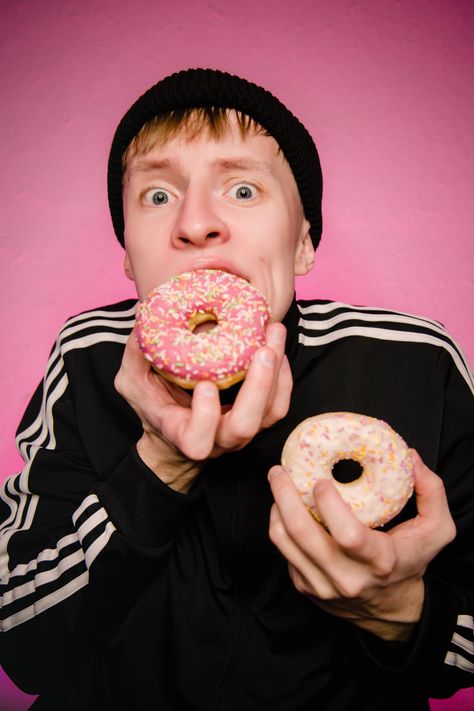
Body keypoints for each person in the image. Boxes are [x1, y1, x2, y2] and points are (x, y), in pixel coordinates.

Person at [1, 68, 473, 711]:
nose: (195, 223)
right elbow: (20, 639)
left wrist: (401, 611)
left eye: (243, 188)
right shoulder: (87, 358)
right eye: (159, 196)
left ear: (303, 243)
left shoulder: (414, 361)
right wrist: (158, 467)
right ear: (129, 258)